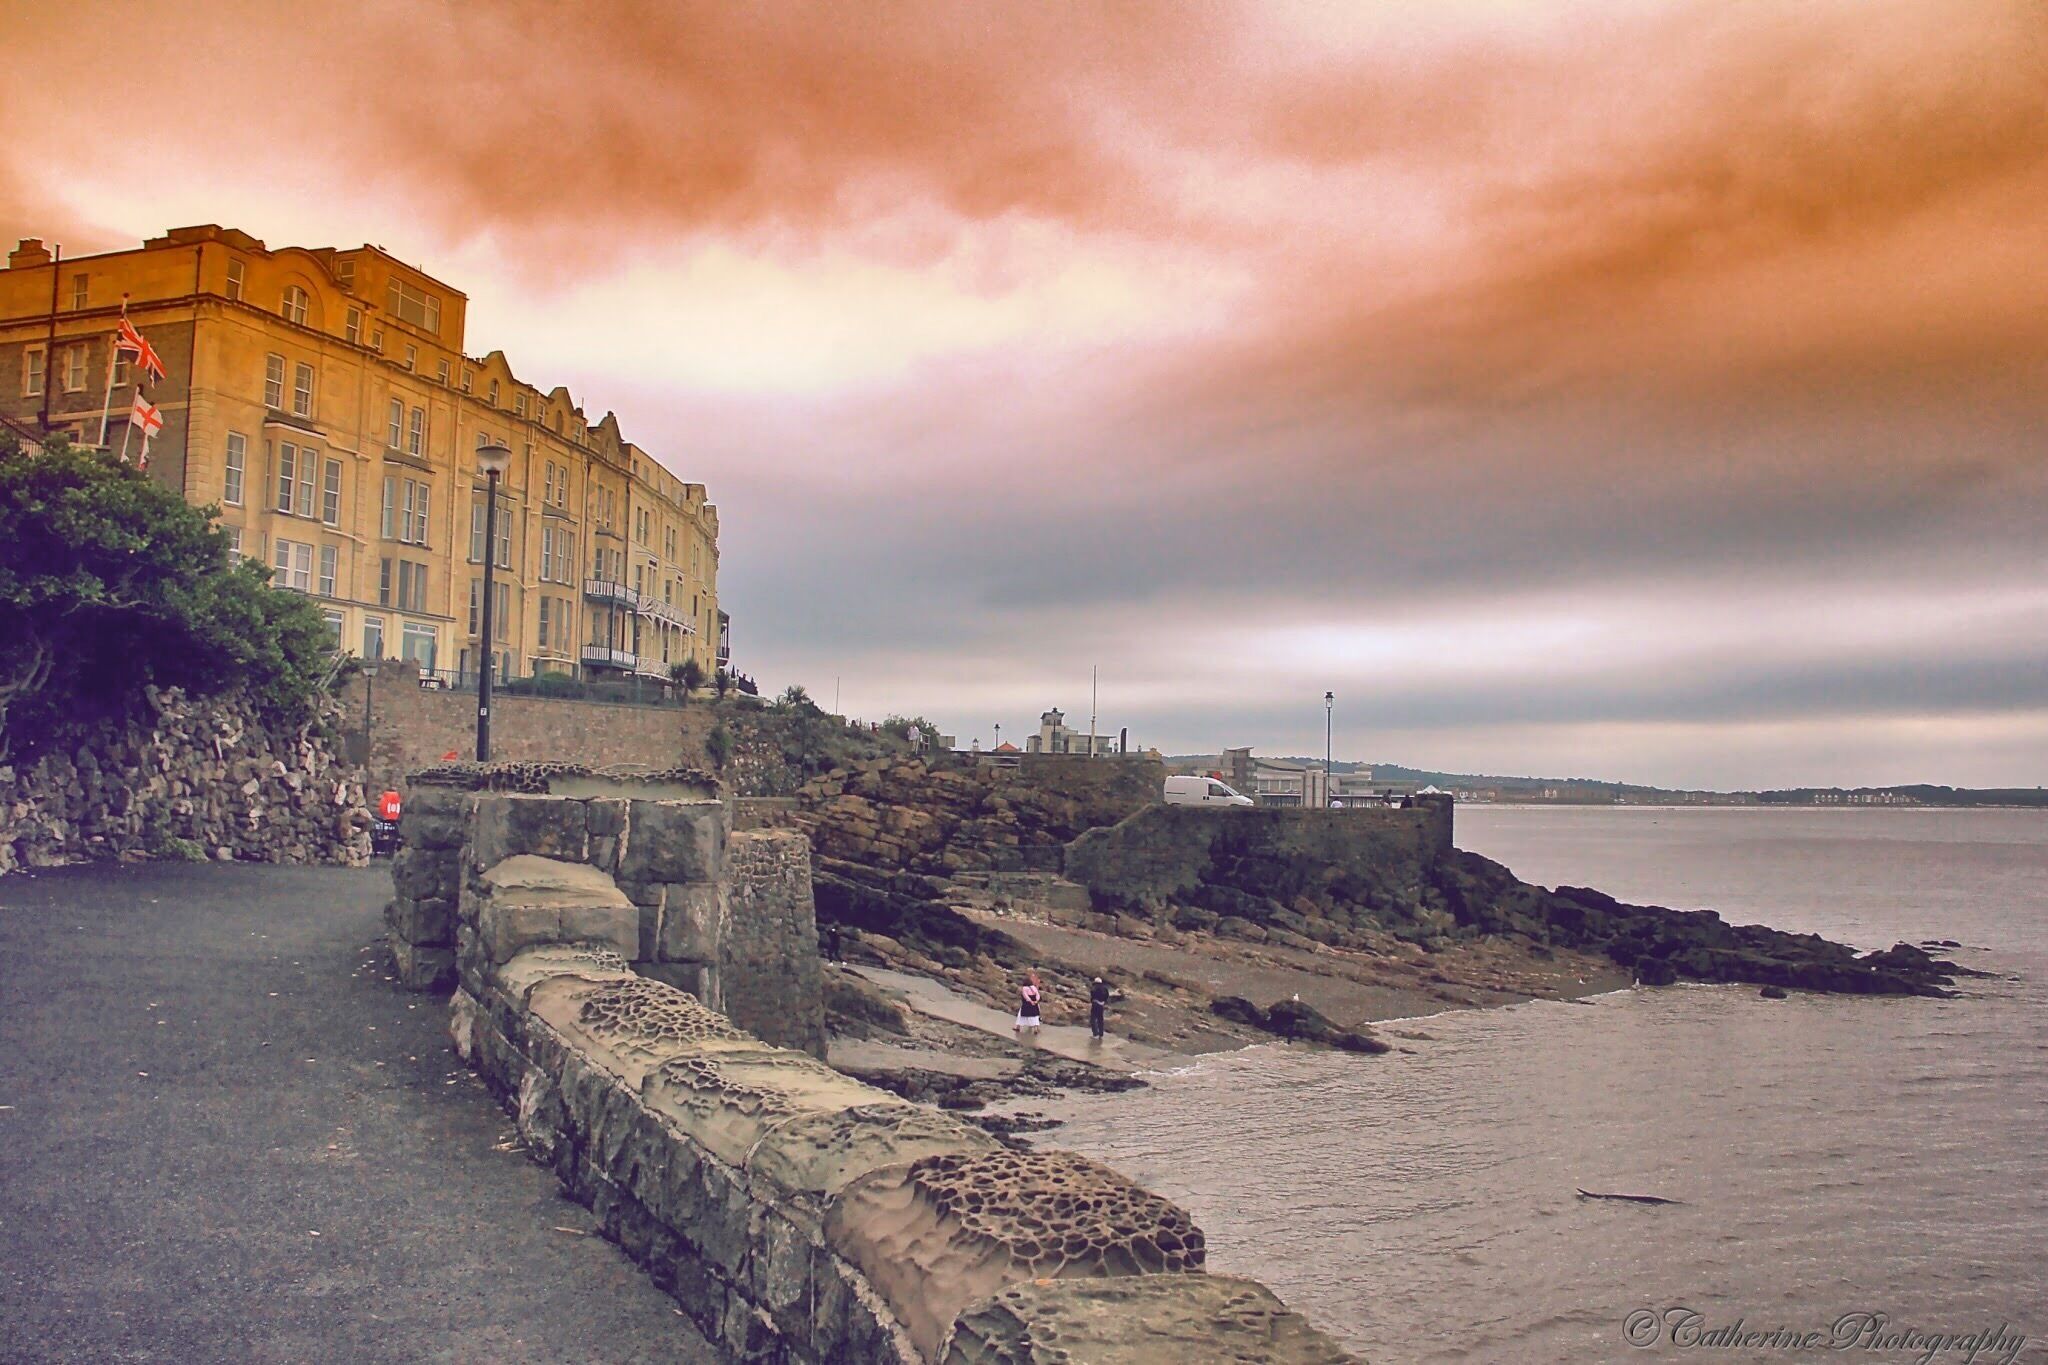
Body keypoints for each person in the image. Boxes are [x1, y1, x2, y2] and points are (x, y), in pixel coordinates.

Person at [1014, 972, 1042, 1039]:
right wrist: (1036, 1001)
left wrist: (1030, 1001)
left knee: (1021, 1015)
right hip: (1035, 1004)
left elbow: (1025, 996)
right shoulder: (1034, 987)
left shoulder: (1024, 988)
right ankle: (1035, 1029)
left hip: (1027, 1004)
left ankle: (1018, 1027)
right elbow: (1037, 994)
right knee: (1034, 1016)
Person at [1089, 976, 1112, 1040]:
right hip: (1102, 1005)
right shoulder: (1105, 988)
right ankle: (1101, 1034)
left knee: (1093, 1019)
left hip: (1095, 1004)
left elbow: (1092, 994)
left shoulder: (1094, 987)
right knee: (1100, 1020)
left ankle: (1095, 1034)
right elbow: (1107, 996)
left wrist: (1092, 1000)